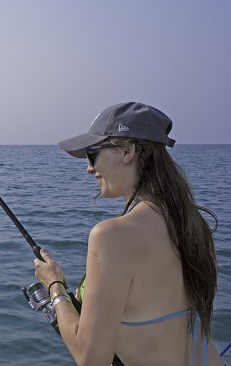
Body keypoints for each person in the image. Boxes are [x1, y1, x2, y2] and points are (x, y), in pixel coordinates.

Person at [34, 102, 222, 366]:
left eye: (92, 153)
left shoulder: (111, 236)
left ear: (128, 151)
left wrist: (55, 287)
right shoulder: (194, 224)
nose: (89, 167)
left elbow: (91, 359)